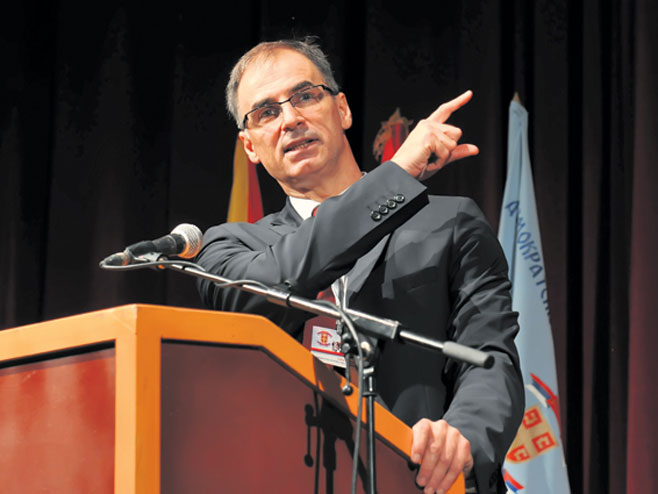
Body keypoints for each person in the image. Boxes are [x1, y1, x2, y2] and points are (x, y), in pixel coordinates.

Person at [196, 38, 524, 494]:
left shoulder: (450, 223)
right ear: (250, 146)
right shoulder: (229, 251)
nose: (290, 119)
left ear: (343, 109)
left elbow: (489, 359)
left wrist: (461, 437)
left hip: (428, 484)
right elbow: (270, 286)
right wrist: (399, 174)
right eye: (266, 112)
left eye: (305, 96)